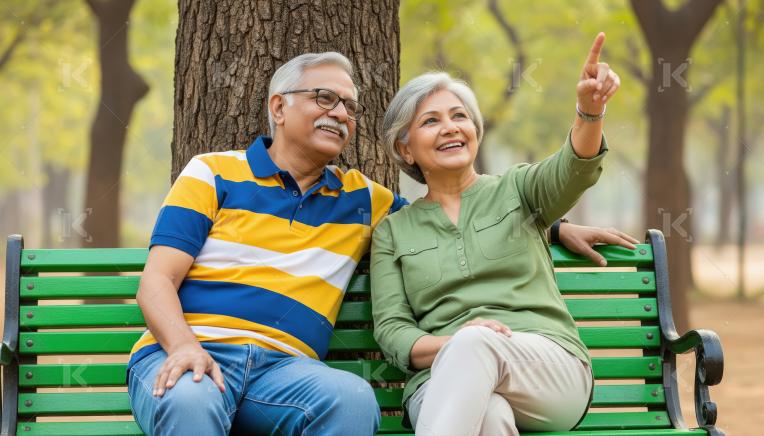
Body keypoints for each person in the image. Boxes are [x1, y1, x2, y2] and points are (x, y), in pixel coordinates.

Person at [127, 49, 632, 436]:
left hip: (285, 372)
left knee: (352, 401)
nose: (340, 112)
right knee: (190, 398)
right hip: (192, 352)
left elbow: (468, 212)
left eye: (348, 105)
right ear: (278, 107)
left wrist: (554, 224)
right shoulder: (213, 172)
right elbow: (156, 282)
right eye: (324, 98)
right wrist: (183, 347)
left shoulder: (364, 202)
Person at [371, 33, 622, 435]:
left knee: (476, 347)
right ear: (405, 149)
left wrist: (589, 113)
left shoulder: (518, 190)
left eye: (459, 116)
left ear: (475, 129)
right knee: (489, 415)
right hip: (437, 382)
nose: (450, 128)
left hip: (546, 369)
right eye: (431, 121)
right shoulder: (393, 232)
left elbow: (573, 171)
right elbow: (393, 331)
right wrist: (454, 343)